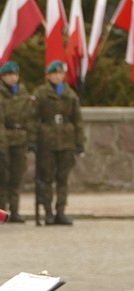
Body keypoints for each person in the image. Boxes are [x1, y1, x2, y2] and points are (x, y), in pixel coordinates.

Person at [32, 61, 84, 226]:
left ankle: (60, 211)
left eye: (60, 74)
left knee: (63, 178)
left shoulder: (70, 94)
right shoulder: (41, 93)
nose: (58, 76)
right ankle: (47, 212)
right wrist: (33, 141)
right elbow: (33, 119)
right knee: (46, 178)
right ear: (48, 76)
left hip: (66, 140)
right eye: (54, 74)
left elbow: (78, 120)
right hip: (47, 140)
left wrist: (79, 142)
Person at [1, 61, 36, 223]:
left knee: (17, 176)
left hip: (20, 139)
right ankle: (2, 211)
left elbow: (29, 118)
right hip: (3, 139)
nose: (13, 78)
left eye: (15, 75)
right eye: (9, 75)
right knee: (3, 177)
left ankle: (15, 210)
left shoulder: (23, 94)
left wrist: (31, 138)